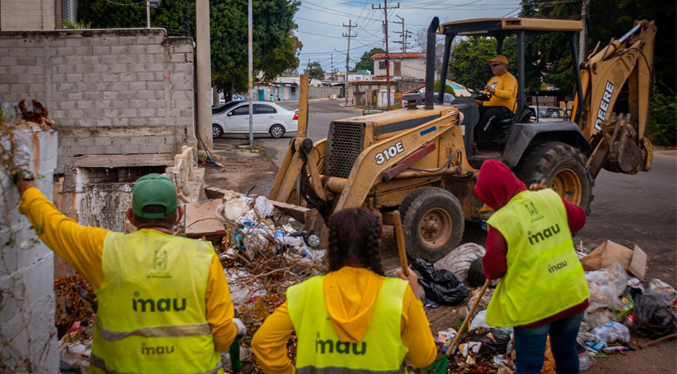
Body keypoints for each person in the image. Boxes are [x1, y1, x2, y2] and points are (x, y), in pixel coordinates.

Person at [12, 133, 244, 374]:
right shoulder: (203, 258)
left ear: (130, 216)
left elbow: (51, 224)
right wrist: (235, 328)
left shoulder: (104, 250)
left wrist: (26, 183)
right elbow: (223, 338)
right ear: (179, 216)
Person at [251, 208, 437, 374]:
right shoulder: (398, 295)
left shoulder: (305, 292)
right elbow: (423, 358)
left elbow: (263, 343)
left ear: (332, 245)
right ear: (377, 245)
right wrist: (415, 300)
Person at [474, 160, 590, 374]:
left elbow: (494, 270)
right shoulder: (548, 196)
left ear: (491, 195)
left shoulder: (501, 221)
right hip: (570, 293)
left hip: (534, 306)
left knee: (529, 365)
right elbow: (578, 220)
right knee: (566, 353)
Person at [474, 55, 518, 148]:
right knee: (474, 112)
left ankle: (478, 142)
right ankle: (468, 138)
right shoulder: (493, 79)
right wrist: (474, 100)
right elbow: (486, 96)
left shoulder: (509, 78)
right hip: (490, 106)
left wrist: (494, 91)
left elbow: (508, 94)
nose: (492, 67)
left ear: (504, 65)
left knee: (489, 115)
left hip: (505, 109)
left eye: (495, 65)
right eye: (491, 66)